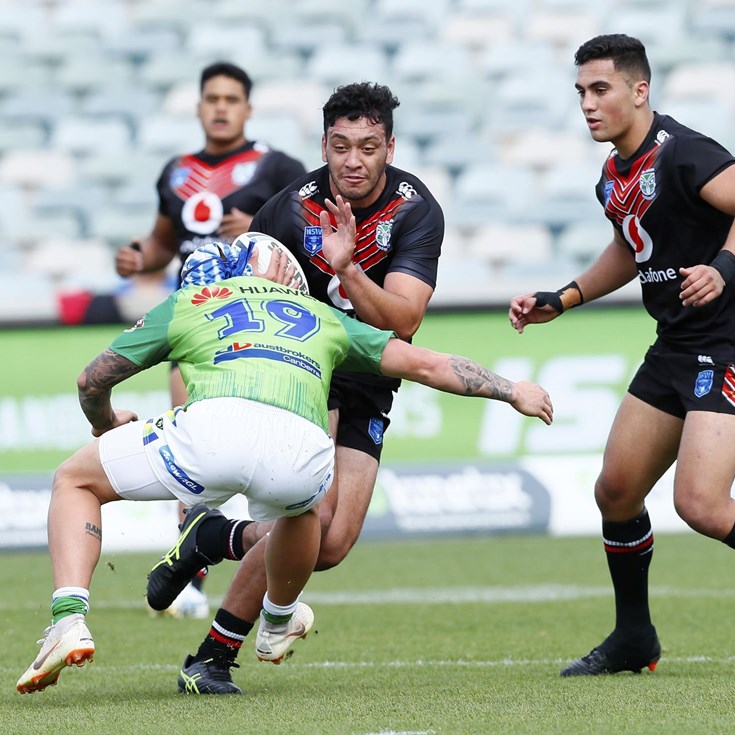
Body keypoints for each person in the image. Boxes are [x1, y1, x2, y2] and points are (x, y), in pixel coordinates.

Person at [16, 238, 553, 695]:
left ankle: (68, 621)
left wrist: (106, 423)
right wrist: (512, 391)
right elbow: (427, 364)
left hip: (211, 432)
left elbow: (92, 380)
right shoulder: (325, 317)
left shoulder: (194, 300)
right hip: (302, 449)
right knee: (302, 509)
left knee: (75, 480)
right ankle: (275, 619)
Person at [147, 80, 447, 688]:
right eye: (341, 147)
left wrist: (346, 268)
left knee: (328, 545)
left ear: (390, 146)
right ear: (325, 144)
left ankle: (216, 536)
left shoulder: (417, 210)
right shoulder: (287, 209)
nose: (354, 161)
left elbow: (405, 320)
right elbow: (243, 299)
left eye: (368, 147)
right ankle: (212, 658)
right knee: (308, 515)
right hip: (304, 373)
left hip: (371, 375)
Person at [509, 33, 735, 676]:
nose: (587, 103)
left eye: (600, 89)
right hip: (676, 346)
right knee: (616, 490)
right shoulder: (614, 173)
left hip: (726, 344)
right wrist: (567, 296)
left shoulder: (686, 153)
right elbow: (629, 247)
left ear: (640, 91)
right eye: (580, 91)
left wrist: (723, 267)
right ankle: (635, 638)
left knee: (702, 505)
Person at [115, 60, 307, 616]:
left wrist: (258, 226)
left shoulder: (277, 166)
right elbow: (161, 241)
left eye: (231, 99)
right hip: (198, 326)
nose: (221, 107)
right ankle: (192, 578)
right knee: (194, 446)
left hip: (260, 327)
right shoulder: (177, 172)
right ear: (200, 107)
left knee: (259, 454)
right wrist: (138, 258)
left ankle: (262, 573)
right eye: (212, 98)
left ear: (248, 108)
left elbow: (303, 229)